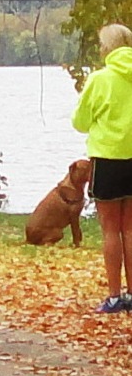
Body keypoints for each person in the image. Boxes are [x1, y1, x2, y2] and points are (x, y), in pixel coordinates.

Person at [72, 23, 132, 313]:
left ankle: (114, 296)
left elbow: (80, 122)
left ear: (107, 47)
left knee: (111, 230)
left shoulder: (99, 79)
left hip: (107, 159)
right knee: (130, 229)